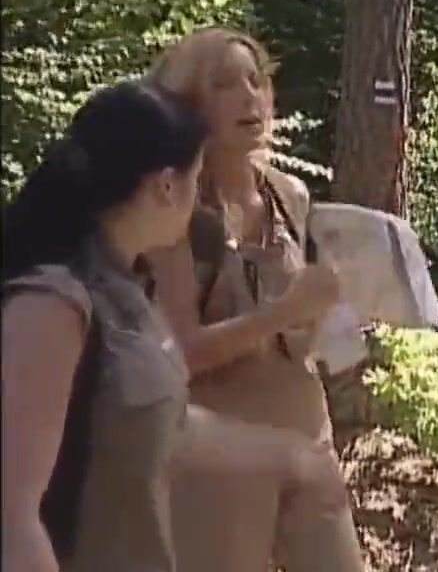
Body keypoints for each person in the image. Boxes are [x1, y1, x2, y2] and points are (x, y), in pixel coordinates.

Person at [2, 81, 346, 572]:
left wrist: (290, 458)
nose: (199, 205)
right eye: (196, 180)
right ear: (166, 186)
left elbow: (157, 421)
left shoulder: (129, 287)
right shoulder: (51, 303)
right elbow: (13, 518)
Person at [146, 28, 365, 572]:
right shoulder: (173, 211)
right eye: (225, 84)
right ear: (189, 102)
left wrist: (342, 308)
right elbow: (181, 353)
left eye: (256, 80)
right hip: (219, 459)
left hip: (307, 436)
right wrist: (283, 312)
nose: (250, 96)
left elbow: (304, 320)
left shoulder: (290, 195)